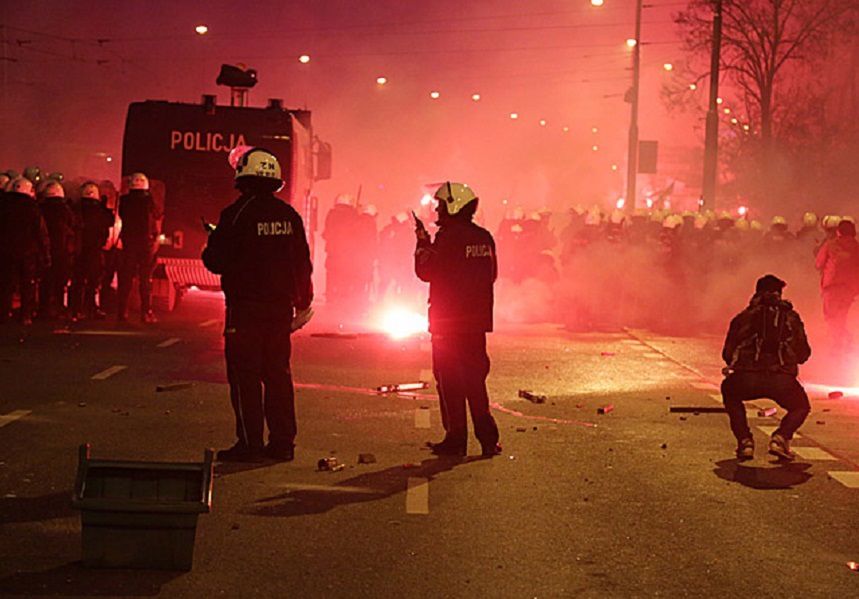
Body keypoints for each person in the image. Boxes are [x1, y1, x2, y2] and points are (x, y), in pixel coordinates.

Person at [202, 147, 313, 463]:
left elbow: (217, 260)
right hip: (279, 310)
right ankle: (283, 444)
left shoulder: (236, 214)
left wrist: (211, 244)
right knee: (278, 374)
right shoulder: (289, 216)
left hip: (245, 309)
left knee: (245, 376)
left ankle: (250, 444)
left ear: (243, 177)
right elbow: (302, 262)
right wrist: (303, 300)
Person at [415, 181, 501, 458]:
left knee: (450, 381)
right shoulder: (484, 237)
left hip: (448, 324)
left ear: (453, 206)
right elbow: (492, 275)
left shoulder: (447, 238)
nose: (438, 210)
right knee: (475, 381)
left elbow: (426, 271)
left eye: (440, 205)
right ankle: (488, 440)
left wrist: (421, 244)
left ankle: (456, 440)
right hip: (476, 323)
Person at [721, 275, 811, 461]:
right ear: (779, 294)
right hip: (781, 380)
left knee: (729, 391)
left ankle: (745, 441)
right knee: (800, 406)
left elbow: (727, 354)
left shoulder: (743, 317)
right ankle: (781, 437)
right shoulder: (790, 318)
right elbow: (804, 354)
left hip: (747, 379)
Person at [0, 177, 50, 324]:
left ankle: (3, 313)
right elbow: (41, 233)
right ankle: (25, 315)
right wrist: (45, 254)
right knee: (27, 284)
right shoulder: (32, 207)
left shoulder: (3, 205)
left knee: (5, 284)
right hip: (27, 253)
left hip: (5, 251)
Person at [116, 172, 162, 323]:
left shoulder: (124, 200)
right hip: (144, 244)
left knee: (126, 279)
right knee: (145, 279)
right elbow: (157, 214)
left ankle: (122, 312)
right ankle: (146, 312)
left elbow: (122, 216)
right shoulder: (148, 201)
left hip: (129, 243)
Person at [70, 181, 114, 319]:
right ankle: (92, 308)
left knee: (78, 280)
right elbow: (110, 221)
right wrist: (105, 206)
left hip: (80, 250)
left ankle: (76, 309)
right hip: (95, 250)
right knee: (93, 281)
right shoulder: (100, 211)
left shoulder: (77, 209)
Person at [815, 218, 859, 352]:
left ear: (838, 232)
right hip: (850, 289)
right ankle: (842, 342)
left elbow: (818, 264)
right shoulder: (857, 247)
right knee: (841, 316)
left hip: (831, 287)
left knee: (831, 318)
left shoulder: (830, 245)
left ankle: (838, 345)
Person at [38, 180, 77, 319]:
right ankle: (59, 307)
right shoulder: (65, 210)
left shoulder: (41, 209)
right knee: (59, 282)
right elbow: (73, 227)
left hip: (45, 250)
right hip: (62, 251)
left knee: (45, 281)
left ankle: (44, 308)